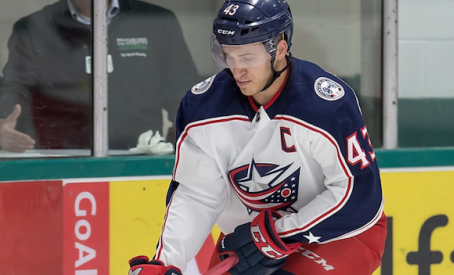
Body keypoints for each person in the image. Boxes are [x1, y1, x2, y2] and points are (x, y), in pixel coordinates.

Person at [129, 0, 386, 274]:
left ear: (280, 49)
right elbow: (198, 194)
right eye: (228, 56)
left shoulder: (325, 104)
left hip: (340, 232)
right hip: (250, 241)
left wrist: (276, 233)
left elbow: (358, 196)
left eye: (248, 58)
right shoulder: (202, 108)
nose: (237, 70)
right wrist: (166, 261)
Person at [0, 0, 199, 152]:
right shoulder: (33, 28)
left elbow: (184, 94)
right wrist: (3, 125)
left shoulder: (156, 22)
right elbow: (15, 89)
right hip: (59, 161)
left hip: (138, 160)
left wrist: (179, 148)